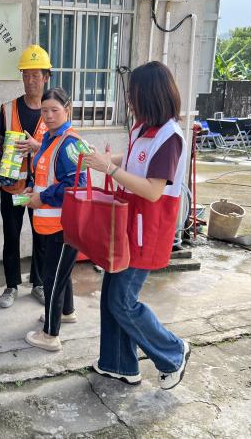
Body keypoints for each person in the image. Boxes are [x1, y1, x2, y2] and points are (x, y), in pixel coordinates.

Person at [83, 61, 190, 390]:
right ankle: (118, 363)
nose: (129, 100)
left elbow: (153, 190)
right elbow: (132, 161)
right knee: (111, 295)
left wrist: (109, 170)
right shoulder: (143, 128)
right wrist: (103, 160)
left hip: (148, 229)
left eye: (133, 94)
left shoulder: (170, 137)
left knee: (122, 301)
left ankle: (173, 352)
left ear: (150, 95)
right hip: (127, 225)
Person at [0, 45, 51, 309]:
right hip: (13, 189)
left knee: (42, 237)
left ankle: (39, 283)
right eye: (26, 74)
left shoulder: (54, 110)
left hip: (41, 191)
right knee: (11, 237)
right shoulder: (8, 109)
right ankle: (11, 285)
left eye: (35, 75)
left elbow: (62, 147)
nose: (30, 80)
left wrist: (38, 148)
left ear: (46, 77)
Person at [23, 87, 86, 352]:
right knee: (61, 272)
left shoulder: (69, 143)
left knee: (52, 277)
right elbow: (46, 175)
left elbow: (77, 184)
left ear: (67, 110)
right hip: (51, 222)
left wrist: (43, 197)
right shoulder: (50, 138)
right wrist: (33, 188)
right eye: (44, 110)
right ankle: (66, 311)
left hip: (64, 224)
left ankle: (50, 335)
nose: (48, 115)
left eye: (54, 110)